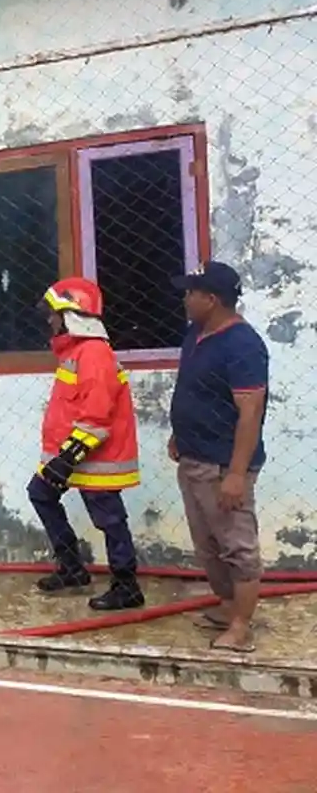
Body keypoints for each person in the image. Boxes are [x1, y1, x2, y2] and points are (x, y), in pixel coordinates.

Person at [168, 262, 268, 653]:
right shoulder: (196, 333)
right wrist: (181, 432)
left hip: (223, 465)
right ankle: (228, 609)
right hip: (194, 458)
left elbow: (250, 412)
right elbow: (196, 389)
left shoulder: (242, 345)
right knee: (207, 545)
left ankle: (241, 628)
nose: (185, 298)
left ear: (211, 299)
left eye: (191, 292)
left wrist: (236, 475)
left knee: (237, 547)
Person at [29, 277, 144, 610]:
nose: (50, 320)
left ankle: (127, 585)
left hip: (96, 458)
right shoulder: (78, 352)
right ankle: (72, 568)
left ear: (71, 314)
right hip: (73, 454)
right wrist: (62, 457)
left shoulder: (93, 354)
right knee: (40, 493)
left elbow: (96, 416)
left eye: (54, 313)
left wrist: (67, 458)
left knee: (109, 519)